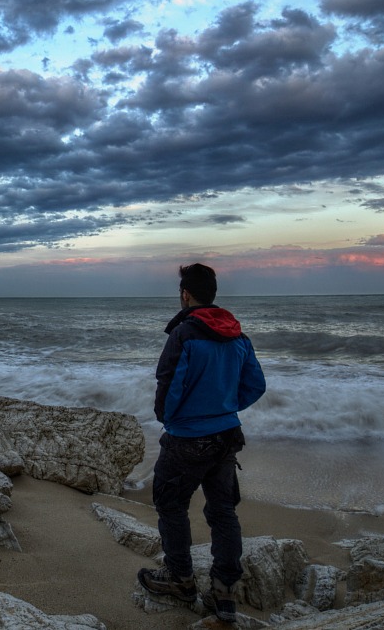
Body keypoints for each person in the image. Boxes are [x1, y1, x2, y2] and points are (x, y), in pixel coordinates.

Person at [137, 263, 266, 623]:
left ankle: (181, 579)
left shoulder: (185, 334)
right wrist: (223, 407)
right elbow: (256, 385)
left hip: (187, 439)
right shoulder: (237, 335)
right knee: (223, 511)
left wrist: (174, 418)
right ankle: (224, 593)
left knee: (171, 504)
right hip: (227, 436)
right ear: (213, 294)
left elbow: (168, 385)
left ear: (185, 294)